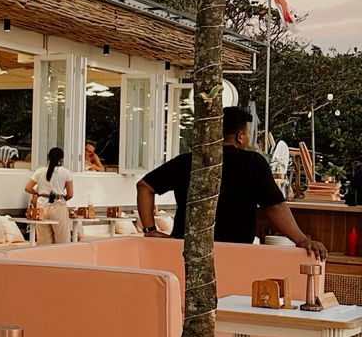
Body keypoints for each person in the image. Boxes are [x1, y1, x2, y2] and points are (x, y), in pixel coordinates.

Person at [137, 105, 326, 255]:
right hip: (234, 252)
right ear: (240, 136)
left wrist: (150, 230)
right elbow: (274, 206)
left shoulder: (188, 160)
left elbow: (144, 186)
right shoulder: (252, 163)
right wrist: (301, 240)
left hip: (187, 252)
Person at [25, 147, 75, 244]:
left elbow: (28, 188)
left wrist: (38, 194)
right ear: (62, 159)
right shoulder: (66, 172)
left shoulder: (40, 171)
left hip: (41, 206)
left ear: (48, 157)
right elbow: (70, 194)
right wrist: (62, 198)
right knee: (62, 239)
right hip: (58, 205)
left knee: (43, 240)